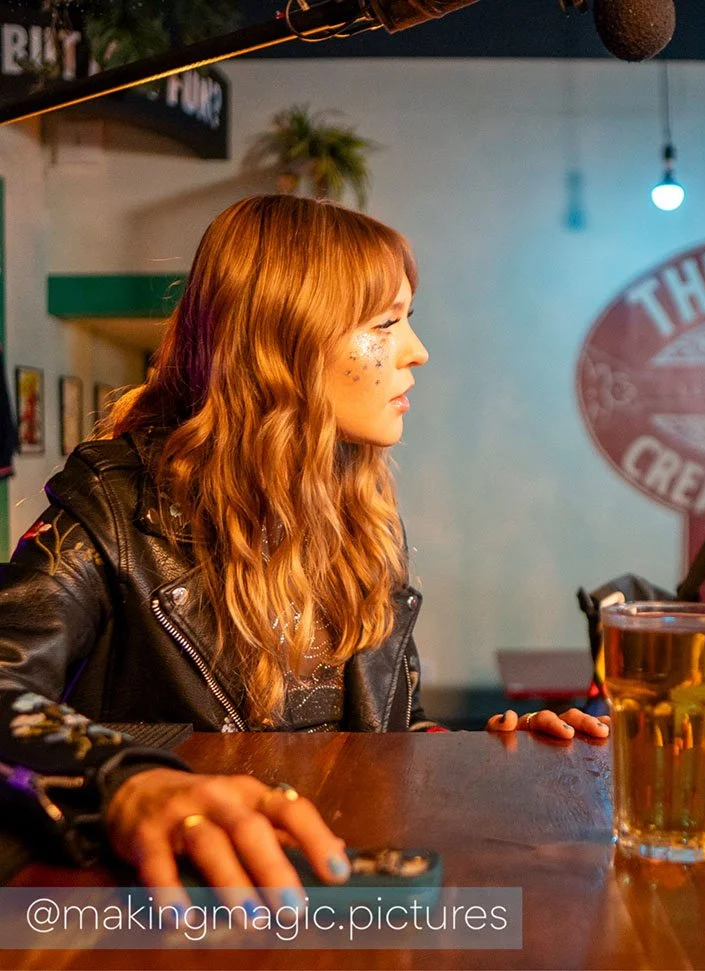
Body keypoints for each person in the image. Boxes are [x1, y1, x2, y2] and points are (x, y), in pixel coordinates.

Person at [0, 195, 607, 899]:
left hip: (326, 889)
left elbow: (379, 732)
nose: (418, 349)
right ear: (286, 343)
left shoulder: (361, 514)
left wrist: (484, 752)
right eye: (386, 323)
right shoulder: (111, 506)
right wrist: (124, 780)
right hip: (178, 909)